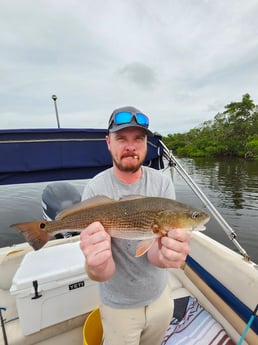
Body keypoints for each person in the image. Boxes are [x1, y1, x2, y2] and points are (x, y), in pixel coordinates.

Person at [80, 106, 190, 345]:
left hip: (161, 297)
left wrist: (167, 254)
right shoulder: (95, 190)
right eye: (122, 138)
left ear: (145, 144)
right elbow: (101, 271)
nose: (130, 146)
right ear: (108, 142)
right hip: (118, 306)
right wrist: (95, 265)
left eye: (138, 139)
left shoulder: (161, 183)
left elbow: (153, 254)